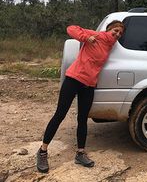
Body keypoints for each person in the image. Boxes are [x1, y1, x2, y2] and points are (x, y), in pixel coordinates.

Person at [36, 20, 125, 173]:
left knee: (82, 119)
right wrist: (85, 37)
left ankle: (80, 153)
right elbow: (71, 29)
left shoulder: (111, 45)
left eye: (120, 33)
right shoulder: (96, 35)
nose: (117, 34)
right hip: (74, 79)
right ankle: (42, 151)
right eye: (115, 30)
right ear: (109, 29)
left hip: (89, 85)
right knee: (60, 114)